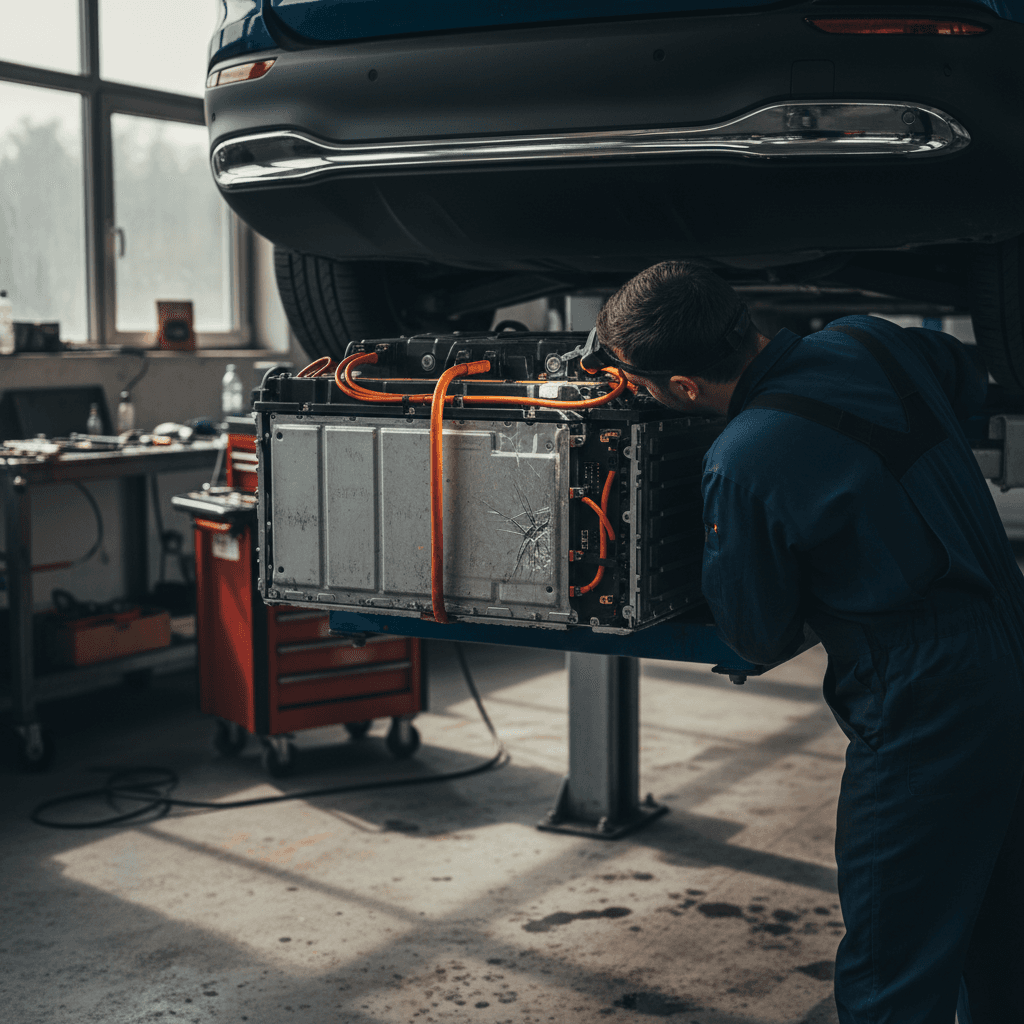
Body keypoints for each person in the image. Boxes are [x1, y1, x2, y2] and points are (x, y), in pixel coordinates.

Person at [588, 261, 1024, 1024]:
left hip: (926, 695)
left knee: (893, 961)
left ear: (684, 389)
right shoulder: (873, 342)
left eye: (642, 382)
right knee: (998, 924)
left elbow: (755, 633)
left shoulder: (743, 458)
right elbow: (964, 380)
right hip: (1008, 636)